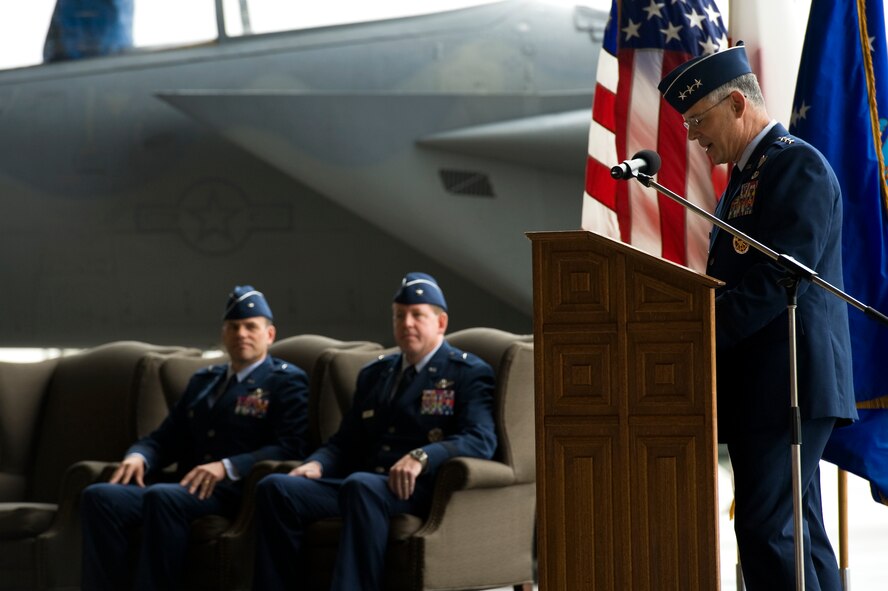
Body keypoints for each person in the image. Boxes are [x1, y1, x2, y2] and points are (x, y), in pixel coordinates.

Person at [657, 45, 857, 590]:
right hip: (763, 383)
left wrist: (700, 336)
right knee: (799, 527)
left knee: (767, 527)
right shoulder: (746, 178)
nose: (694, 136)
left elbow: (779, 279)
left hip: (791, 377)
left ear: (739, 104)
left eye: (699, 120)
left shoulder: (795, 164)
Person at [252, 272, 497, 591]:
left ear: (440, 323)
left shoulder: (466, 371)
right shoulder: (376, 374)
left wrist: (423, 456)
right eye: (399, 315)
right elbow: (345, 442)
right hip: (364, 486)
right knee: (275, 488)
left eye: (417, 315)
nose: (407, 323)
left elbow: (481, 439)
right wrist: (317, 464)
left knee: (360, 485)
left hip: (422, 489)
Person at [80, 285, 310, 591]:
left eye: (251, 327)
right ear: (223, 333)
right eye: (233, 327)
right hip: (187, 486)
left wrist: (227, 466)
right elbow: (164, 437)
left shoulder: (286, 381)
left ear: (269, 335)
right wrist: (139, 456)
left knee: (164, 497)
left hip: (235, 491)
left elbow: (291, 446)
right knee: (100, 497)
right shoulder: (205, 380)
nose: (241, 333)